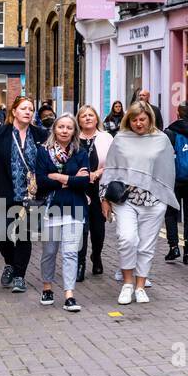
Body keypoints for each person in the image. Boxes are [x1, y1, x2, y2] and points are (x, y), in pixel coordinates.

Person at [99, 101, 178, 305]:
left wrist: (164, 197)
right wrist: (104, 198)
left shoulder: (161, 139)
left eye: (142, 119)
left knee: (146, 245)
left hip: (153, 201)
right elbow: (111, 169)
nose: (138, 123)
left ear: (150, 118)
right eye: (134, 119)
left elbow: (168, 170)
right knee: (127, 239)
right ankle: (127, 284)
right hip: (126, 199)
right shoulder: (121, 138)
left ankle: (140, 286)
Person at [0, 96, 48, 293]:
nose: (28, 111)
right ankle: (10, 263)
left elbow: (50, 160)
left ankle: (19, 275)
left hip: (32, 195)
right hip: (5, 191)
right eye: (24, 108)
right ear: (14, 112)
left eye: (31, 109)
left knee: (24, 235)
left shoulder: (41, 135)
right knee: (3, 235)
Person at [35, 115, 91, 311]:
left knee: (70, 253)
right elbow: (41, 180)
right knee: (49, 252)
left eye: (69, 127)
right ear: (55, 129)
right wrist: (71, 179)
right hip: (51, 209)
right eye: (61, 127)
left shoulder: (80, 152)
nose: (65, 130)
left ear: (74, 131)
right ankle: (47, 287)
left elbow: (84, 181)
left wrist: (58, 176)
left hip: (75, 207)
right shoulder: (43, 152)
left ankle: (69, 294)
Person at [74, 105, 112, 279]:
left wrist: (97, 173)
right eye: (84, 116)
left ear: (97, 119)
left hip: (99, 188)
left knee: (98, 229)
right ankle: (79, 263)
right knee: (80, 227)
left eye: (91, 115)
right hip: (78, 188)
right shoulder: (73, 138)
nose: (88, 118)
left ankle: (96, 256)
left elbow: (113, 163)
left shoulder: (106, 138)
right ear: (79, 120)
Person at [163, 102, 188, 265]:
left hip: (174, 179)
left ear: (178, 114)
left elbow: (163, 157)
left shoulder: (170, 132)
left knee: (171, 213)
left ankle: (173, 247)